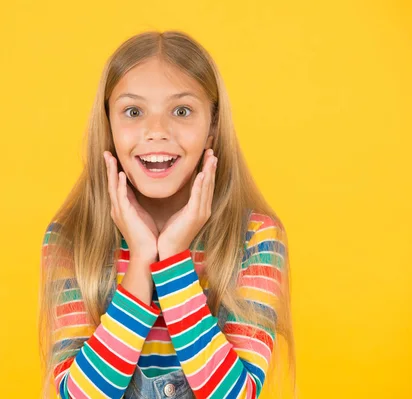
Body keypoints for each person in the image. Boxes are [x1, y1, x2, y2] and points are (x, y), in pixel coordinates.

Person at [38, 30, 296, 399]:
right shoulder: (72, 240)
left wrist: (173, 257)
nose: (156, 132)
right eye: (133, 111)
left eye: (182, 111)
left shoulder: (254, 238)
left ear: (212, 128)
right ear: (108, 127)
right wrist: (142, 260)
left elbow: (234, 394)